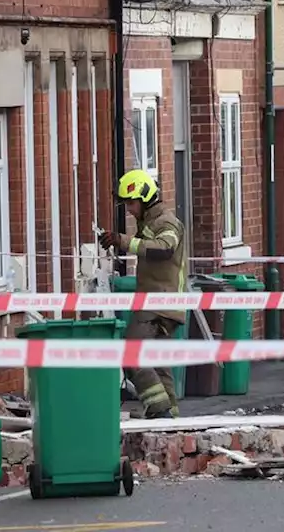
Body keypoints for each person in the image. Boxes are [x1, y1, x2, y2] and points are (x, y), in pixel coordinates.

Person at [99, 169, 188, 419]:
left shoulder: (166, 223)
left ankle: (159, 410)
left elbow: (165, 248)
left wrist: (123, 241)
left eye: (131, 202)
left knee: (131, 352)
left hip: (157, 304)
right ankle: (171, 419)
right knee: (157, 362)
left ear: (145, 197)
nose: (128, 209)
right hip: (162, 303)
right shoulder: (148, 223)